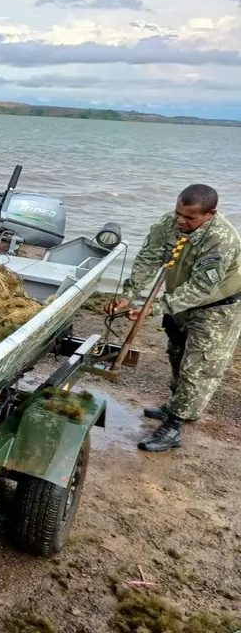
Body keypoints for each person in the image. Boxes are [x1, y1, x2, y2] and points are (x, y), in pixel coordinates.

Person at [105, 184, 241, 452]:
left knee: (199, 366)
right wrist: (130, 294)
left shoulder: (221, 239)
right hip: (180, 301)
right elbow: (149, 257)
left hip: (218, 306)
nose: (181, 220)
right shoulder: (169, 224)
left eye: (189, 218)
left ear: (210, 214)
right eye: (178, 213)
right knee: (177, 354)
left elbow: (202, 288)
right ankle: (175, 405)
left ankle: (175, 426)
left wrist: (154, 308)